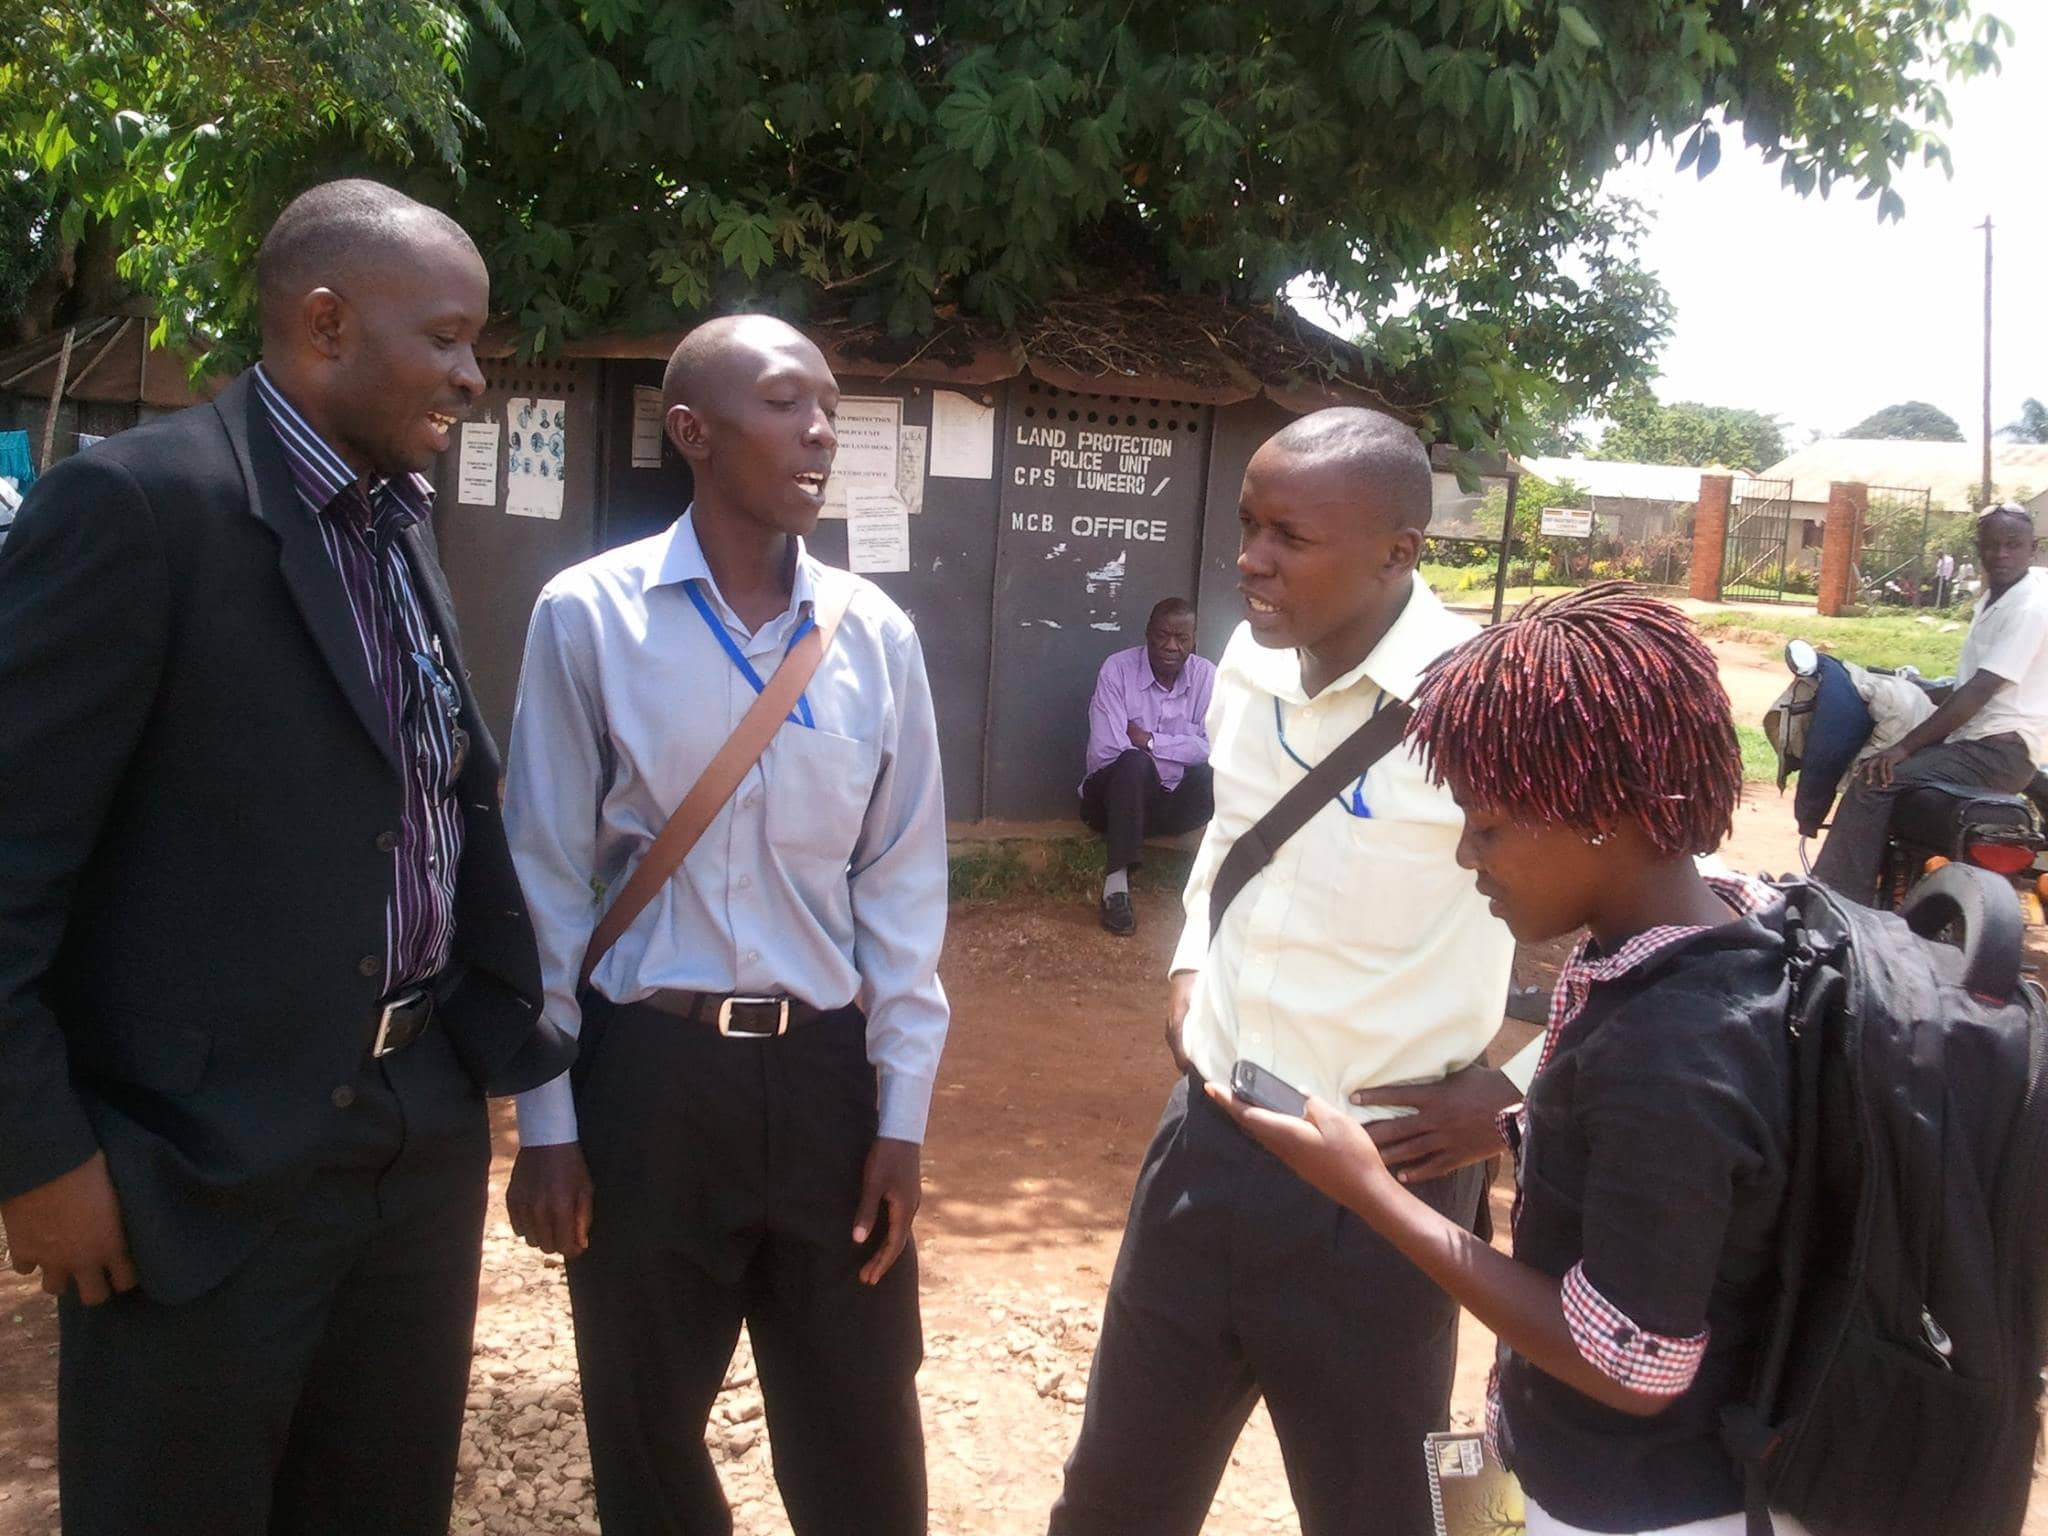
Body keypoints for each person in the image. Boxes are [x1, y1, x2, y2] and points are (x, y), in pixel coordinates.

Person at [0, 179, 568, 1536]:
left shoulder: (394, 523)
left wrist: (456, 1076)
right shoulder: (142, 512)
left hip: (410, 1138)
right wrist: (35, 1157)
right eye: (445, 339)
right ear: (325, 323)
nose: (472, 377)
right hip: (196, 1168)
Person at [1211, 583, 1815, 1536]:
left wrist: (1372, 1194)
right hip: (1543, 1445)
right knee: (1460, 1492)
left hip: (1623, 1504)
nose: (1465, 856)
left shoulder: (1673, 1054)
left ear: (1602, 816)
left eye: (1487, 827)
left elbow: (1630, 1364)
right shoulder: (1732, 917)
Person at [501, 314, 949, 1536]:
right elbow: (544, 873)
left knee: (861, 1428)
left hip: (824, 1083)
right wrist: (547, 1121)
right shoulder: (586, 617)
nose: (818, 430)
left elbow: (902, 892)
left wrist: (899, 1114)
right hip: (647, 1078)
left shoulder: (873, 636)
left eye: (829, 405)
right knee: (644, 1431)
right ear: (691, 432)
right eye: (783, 402)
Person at [1048, 408, 1516, 1536]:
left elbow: (1657, 926)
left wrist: (1517, 1094)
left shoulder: (1498, 703)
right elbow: (1231, 835)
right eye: (1248, 526)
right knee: (1112, 1498)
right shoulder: (1247, 661)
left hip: (1383, 1189)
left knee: (1393, 1511)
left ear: (1399, 549)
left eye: (1287, 537)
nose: (1249, 558)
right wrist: (1188, 961)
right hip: (1204, 1144)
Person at [1812, 502, 2048, 905]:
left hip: (1996, 752)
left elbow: (1978, 691)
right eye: (1991, 545)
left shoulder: (2030, 605)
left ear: (2033, 548)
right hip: (1980, 743)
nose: (2001, 554)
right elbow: (1964, 685)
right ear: (1979, 547)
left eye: (2013, 544)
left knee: (1873, 778)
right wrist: (1890, 685)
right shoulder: (1996, 597)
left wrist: (1903, 747)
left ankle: (1833, 901)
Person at [1078, 596, 1218, 935]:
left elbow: (1216, 747)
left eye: (1182, 638)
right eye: (1162, 635)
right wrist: (1179, 750)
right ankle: (1116, 889)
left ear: (1193, 639)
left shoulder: (1206, 677)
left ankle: (1217, 884)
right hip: (1112, 804)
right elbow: (1107, 749)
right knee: (1132, 763)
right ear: (1147, 634)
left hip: (1171, 807)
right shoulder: (1117, 670)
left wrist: (1151, 740)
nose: (1172, 646)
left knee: (1220, 770)